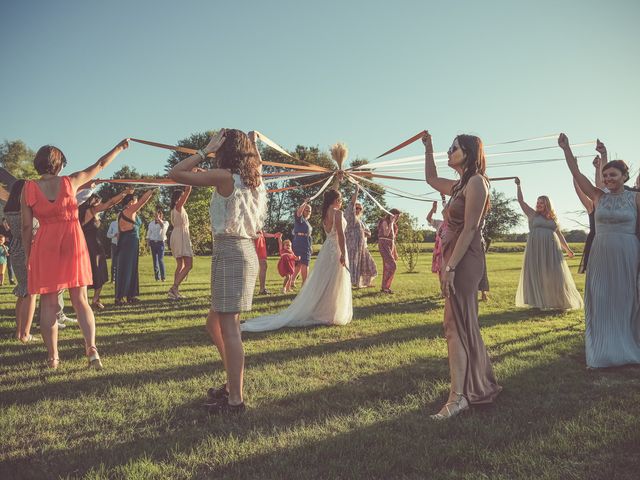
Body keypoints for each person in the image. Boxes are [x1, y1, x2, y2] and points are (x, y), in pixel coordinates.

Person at [169, 128, 266, 415]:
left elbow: (177, 173)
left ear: (224, 150)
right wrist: (254, 145)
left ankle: (235, 399)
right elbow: (257, 162)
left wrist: (205, 150)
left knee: (229, 327)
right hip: (244, 251)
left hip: (231, 252)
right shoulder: (254, 179)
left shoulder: (225, 177)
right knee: (214, 323)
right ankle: (232, 382)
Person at [21, 140, 130, 369]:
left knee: (49, 303)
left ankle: (53, 358)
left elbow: (25, 227)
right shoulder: (70, 181)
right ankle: (92, 351)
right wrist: (119, 148)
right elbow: (99, 164)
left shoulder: (28, 188)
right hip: (72, 241)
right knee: (80, 300)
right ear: (58, 164)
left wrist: (29, 255)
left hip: (45, 244)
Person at [423, 131, 501, 420]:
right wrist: (428, 147)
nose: (449, 152)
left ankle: (458, 398)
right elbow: (431, 179)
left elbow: (470, 228)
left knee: (456, 324)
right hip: (454, 255)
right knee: (454, 323)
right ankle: (469, 388)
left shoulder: (477, 183)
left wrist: (451, 266)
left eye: (453, 148)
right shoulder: (458, 186)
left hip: (465, 259)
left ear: (467, 153)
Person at [559, 133, 640, 368]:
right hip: (601, 253)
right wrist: (567, 149)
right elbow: (577, 174)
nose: (608, 178)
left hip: (627, 252)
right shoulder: (597, 196)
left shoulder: (635, 199)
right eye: (605, 175)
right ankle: (602, 350)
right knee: (601, 297)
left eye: (612, 175)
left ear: (625, 176)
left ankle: (627, 345)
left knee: (626, 299)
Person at [241, 188, 352, 332]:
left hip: (327, 250)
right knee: (335, 280)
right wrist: (343, 253)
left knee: (326, 280)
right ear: (336, 200)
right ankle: (331, 312)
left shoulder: (326, 214)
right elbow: (341, 235)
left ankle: (326, 311)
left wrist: (338, 180)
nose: (341, 202)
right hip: (336, 248)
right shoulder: (338, 213)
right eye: (340, 199)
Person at [514, 178, 582, 310]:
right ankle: (536, 302)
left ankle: (557, 301)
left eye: (542, 203)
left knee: (554, 274)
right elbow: (521, 201)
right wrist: (519, 186)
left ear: (547, 205)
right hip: (535, 249)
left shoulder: (552, 219)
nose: (539, 205)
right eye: (538, 202)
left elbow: (560, 235)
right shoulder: (532, 214)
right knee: (537, 273)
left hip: (552, 250)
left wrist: (567, 249)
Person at [79, 189, 133, 310]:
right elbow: (111, 203)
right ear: (92, 200)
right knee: (98, 272)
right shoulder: (91, 210)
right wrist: (124, 193)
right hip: (92, 247)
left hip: (86, 246)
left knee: (91, 272)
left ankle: (88, 300)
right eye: (97, 200)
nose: (99, 202)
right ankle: (93, 300)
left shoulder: (82, 212)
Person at [4, 180, 37, 342]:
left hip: (15, 250)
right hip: (28, 249)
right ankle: (25, 333)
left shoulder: (8, 210)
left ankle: (19, 331)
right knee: (31, 292)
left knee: (22, 291)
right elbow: (30, 229)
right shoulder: (27, 210)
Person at [115, 190, 155, 305]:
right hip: (130, 241)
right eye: (135, 201)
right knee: (127, 268)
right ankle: (121, 297)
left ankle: (130, 295)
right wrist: (151, 190)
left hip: (126, 242)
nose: (137, 204)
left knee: (130, 268)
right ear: (131, 202)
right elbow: (143, 200)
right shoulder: (130, 210)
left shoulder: (122, 213)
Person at [574, 150, 606, 274]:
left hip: (609, 238)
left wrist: (598, 167)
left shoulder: (608, 201)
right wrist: (575, 172)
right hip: (595, 240)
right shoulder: (590, 206)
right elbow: (579, 191)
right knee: (595, 273)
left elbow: (600, 187)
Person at [345, 184, 377, 288]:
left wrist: (364, 232)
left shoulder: (361, 222)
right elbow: (352, 202)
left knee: (369, 263)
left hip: (363, 246)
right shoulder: (350, 217)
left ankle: (365, 282)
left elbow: (369, 233)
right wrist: (357, 190)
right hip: (352, 247)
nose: (358, 210)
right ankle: (351, 283)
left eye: (360, 208)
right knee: (353, 265)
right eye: (356, 208)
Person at [168, 187, 194, 299]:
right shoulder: (178, 207)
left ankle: (174, 292)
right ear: (177, 198)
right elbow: (188, 191)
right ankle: (174, 288)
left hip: (177, 235)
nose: (184, 198)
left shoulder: (176, 208)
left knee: (181, 265)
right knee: (188, 264)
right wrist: (191, 179)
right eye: (182, 196)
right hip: (181, 236)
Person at [377, 208, 400, 294]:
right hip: (384, 244)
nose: (397, 219)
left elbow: (393, 238)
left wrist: (395, 251)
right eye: (396, 216)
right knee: (392, 265)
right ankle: (385, 287)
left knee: (388, 266)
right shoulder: (385, 222)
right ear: (391, 215)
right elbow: (386, 233)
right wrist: (391, 222)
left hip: (390, 245)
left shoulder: (394, 225)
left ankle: (385, 288)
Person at [292, 198, 313, 287]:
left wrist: (310, 246)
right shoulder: (299, 219)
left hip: (305, 241)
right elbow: (298, 212)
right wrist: (305, 202)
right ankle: (304, 284)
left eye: (309, 211)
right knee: (305, 263)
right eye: (306, 210)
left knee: (300, 263)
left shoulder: (306, 222)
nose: (308, 212)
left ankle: (291, 281)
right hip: (300, 241)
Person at [147, 208, 169, 282]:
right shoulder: (151, 223)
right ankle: (157, 277)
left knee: (160, 260)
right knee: (155, 261)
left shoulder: (165, 222)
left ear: (160, 215)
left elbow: (163, 227)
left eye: (157, 215)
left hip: (160, 243)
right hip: (153, 243)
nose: (156, 216)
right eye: (155, 215)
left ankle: (163, 277)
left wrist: (159, 219)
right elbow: (149, 234)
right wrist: (148, 243)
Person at [255, 229, 279, 295]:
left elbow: (263, 233)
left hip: (261, 244)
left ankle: (262, 289)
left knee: (264, 266)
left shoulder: (258, 221)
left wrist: (274, 235)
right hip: (253, 243)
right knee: (251, 268)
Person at [0, 218, 15, 284]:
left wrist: (6, 240)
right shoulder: (1, 229)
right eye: (4, 223)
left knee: (9, 265)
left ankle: (11, 279)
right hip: (1, 250)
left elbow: (13, 239)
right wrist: (4, 240)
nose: (5, 224)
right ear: (2, 223)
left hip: (9, 250)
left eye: (6, 222)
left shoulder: (11, 231)